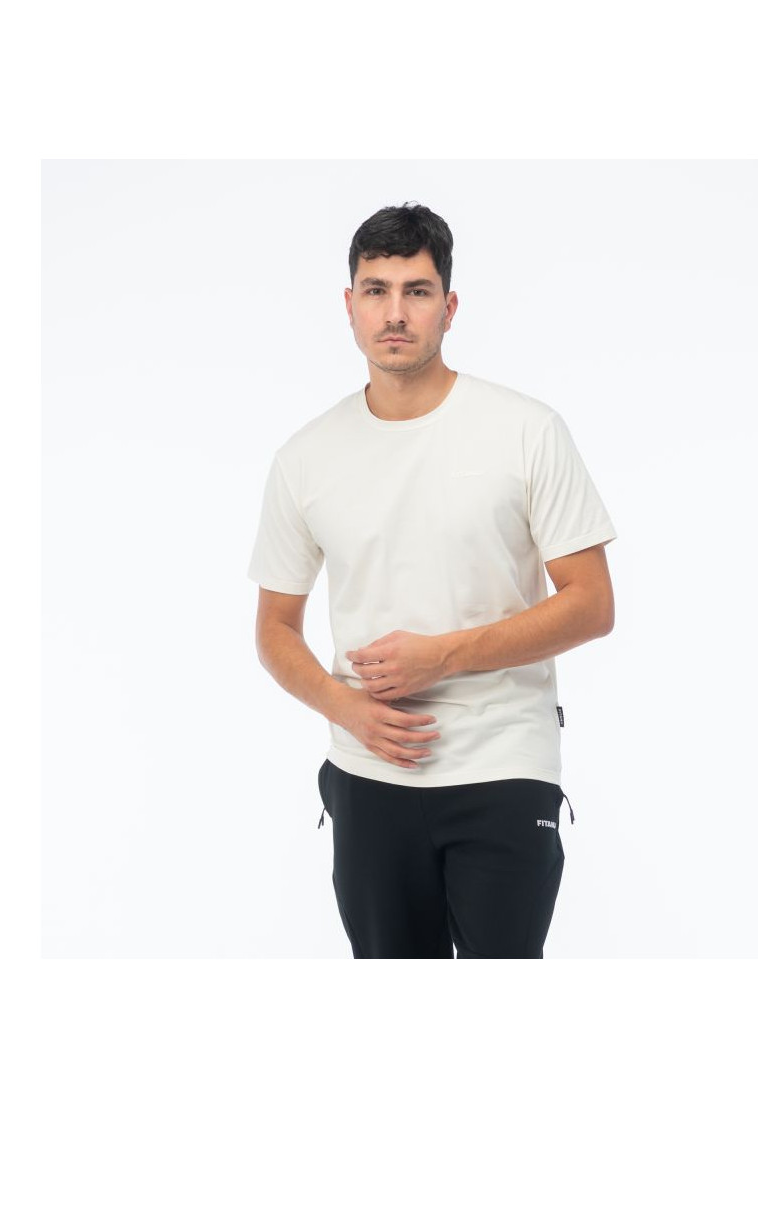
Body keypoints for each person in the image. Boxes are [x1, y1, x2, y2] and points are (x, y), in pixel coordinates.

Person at [247, 202, 617, 958]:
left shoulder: (526, 431)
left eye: (416, 291)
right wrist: (344, 707)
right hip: (367, 771)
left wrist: (443, 656)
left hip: (502, 766)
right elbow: (274, 627)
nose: (395, 312)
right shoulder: (305, 457)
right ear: (349, 305)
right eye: (376, 290)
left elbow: (592, 604)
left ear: (448, 308)